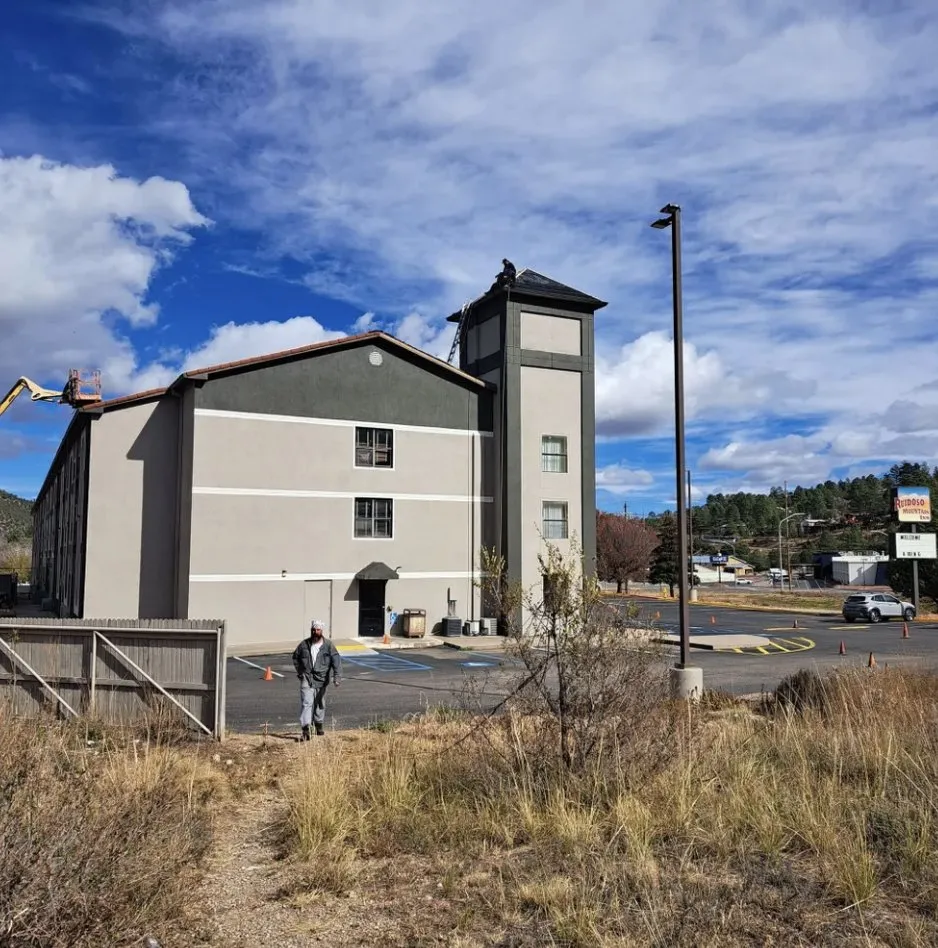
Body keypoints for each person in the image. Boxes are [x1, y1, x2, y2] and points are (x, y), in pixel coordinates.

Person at [291, 619, 342, 739]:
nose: (315, 632)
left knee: (320, 703)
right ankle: (306, 730)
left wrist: (337, 677)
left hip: (322, 679)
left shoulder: (328, 645)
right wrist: (300, 672)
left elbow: (336, 661)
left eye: (318, 630)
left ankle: (318, 725)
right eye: (313, 630)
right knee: (307, 703)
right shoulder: (304, 644)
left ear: (321, 631)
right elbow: (295, 657)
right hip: (307, 678)